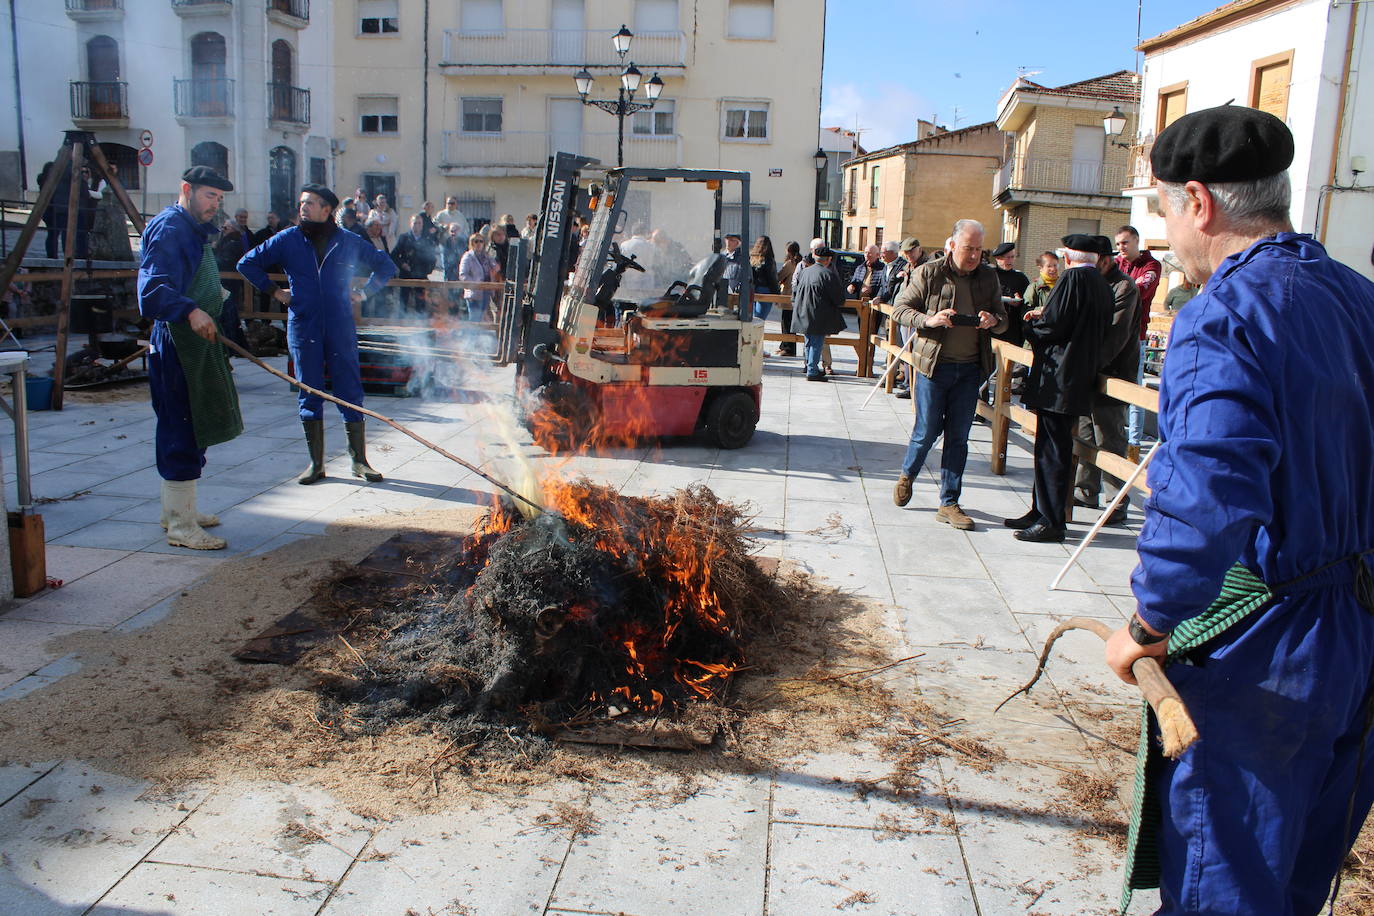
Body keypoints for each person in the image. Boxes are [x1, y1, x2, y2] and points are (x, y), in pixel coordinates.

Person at [1102, 104, 1374, 916]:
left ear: (1200, 202)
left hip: (1271, 650)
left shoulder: (1222, 314)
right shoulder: (1357, 297)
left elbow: (1207, 494)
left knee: (1227, 885)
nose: (1165, 233)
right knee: (1296, 881)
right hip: (1360, 633)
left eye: (1161, 209)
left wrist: (1150, 623)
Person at [238, 184, 397, 485]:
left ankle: (359, 461)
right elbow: (246, 263)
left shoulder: (349, 241)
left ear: (327, 210)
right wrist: (276, 292)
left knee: (349, 389)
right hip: (304, 324)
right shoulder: (288, 239)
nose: (303, 207)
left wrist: (364, 293)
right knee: (308, 391)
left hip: (339, 324)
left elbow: (386, 266)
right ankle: (316, 464)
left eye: (310, 203)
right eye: (302, 202)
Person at [137, 165, 244, 550]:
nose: (214, 204)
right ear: (186, 190)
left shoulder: (190, 227)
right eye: (208, 195)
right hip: (177, 342)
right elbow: (151, 289)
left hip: (195, 342)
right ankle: (181, 525)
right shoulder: (171, 228)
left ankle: (176, 510)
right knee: (181, 426)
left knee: (193, 423)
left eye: (218, 197)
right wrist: (190, 310)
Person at [890, 220, 1006, 530]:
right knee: (927, 430)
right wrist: (930, 320)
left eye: (980, 249)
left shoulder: (988, 276)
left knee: (959, 437)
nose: (974, 256)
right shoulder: (929, 272)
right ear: (951, 246)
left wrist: (992, 320)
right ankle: (908, 474)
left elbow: (1005, 320)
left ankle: (949, 502)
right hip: (934, 367)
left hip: (970, 370)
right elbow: (900, 309)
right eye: (969, 248)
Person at [1004, 235, 1112, 543]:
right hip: (1077, 374)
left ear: (1068, 259)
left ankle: (1051, 519)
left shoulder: (1073, 279)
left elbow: (1054, 326)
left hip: (1061, 376)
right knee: (1051, 447)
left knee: (1053, 450)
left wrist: (1028, 325)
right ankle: (1041, 510)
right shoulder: (1101, 285)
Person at [1073, 237, 1141, 522]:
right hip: (1088, 368)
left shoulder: (1124, 286)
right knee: (1087, 431)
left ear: (1104, 260)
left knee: (1110, 435)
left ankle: (1116, 500)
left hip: (1114, 370)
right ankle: (1085, 489)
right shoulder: (1091, 281)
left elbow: (1116, 335)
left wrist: (1088, 366)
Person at [1114, 225, 1161, 458]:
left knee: (1135, 390)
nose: (1121, 248)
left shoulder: (1151, 266)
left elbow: (1137, 291)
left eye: (1125, 243)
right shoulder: (1116, 264)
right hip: (1113, 335)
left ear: (1136, 241)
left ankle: (1133, 443)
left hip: (1136, 337)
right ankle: (1116, 436)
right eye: (1118, 244)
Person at [874, 237, 926, 399]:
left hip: (916, 316)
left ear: (919, 249)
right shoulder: (907, 266)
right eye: (906, 252)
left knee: (915, 353)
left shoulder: (925, 267)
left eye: (911, 251)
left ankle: (914, 387)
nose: (909, 255)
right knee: (906, 351)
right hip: (903, 315)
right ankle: (909, 385)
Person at [790, 246, 846, 382]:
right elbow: (838, 298)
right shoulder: (828, 274)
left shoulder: (805, 272)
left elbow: (795, 290)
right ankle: (812, 371)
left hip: (803, 311)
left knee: (809, 342)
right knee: (816, 342)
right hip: (819, 313)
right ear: (829, 260)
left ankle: (811, 367)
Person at [391, 212, 439, 313]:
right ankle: (401, 325)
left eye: (419, 223)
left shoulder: (427, 238)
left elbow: (432, 257)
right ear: (410, 224)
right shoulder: (404, 237)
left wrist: (427, 270)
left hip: (421, 275)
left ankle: (420, 324)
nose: (417, 225)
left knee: (421, 303)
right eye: (415, 223)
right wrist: (402, 264)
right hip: (406, 274)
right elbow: (394, 255)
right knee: (403, 302)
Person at [459, 232, 497, 322]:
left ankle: (480, 336)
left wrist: (494, 267)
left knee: (482, 317)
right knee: (474, 319)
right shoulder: (468, 256)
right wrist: (475, 284)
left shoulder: (486, 256)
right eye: (476, 241)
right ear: (472, 243)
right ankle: (472, 336)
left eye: (481, 241)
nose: (479, 244)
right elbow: (463, 274)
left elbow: (495, 266)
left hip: (486, 292)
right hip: (474, 293)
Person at [775, 240, 804, 356]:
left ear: (788, 251)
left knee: (786, 322)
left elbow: (779, 276)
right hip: (797, 297)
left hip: (788, 296)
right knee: (791, 323)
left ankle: (787, 348)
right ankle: (785, 346)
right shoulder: (801, 262)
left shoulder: (789, 264)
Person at [750, 236, 780, 320]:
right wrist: (777, 295)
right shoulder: (768, 260)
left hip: (752, 290)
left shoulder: (752, 258)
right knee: (760, 319)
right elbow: (772, 278)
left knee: (753, 319)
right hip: (765, 290)